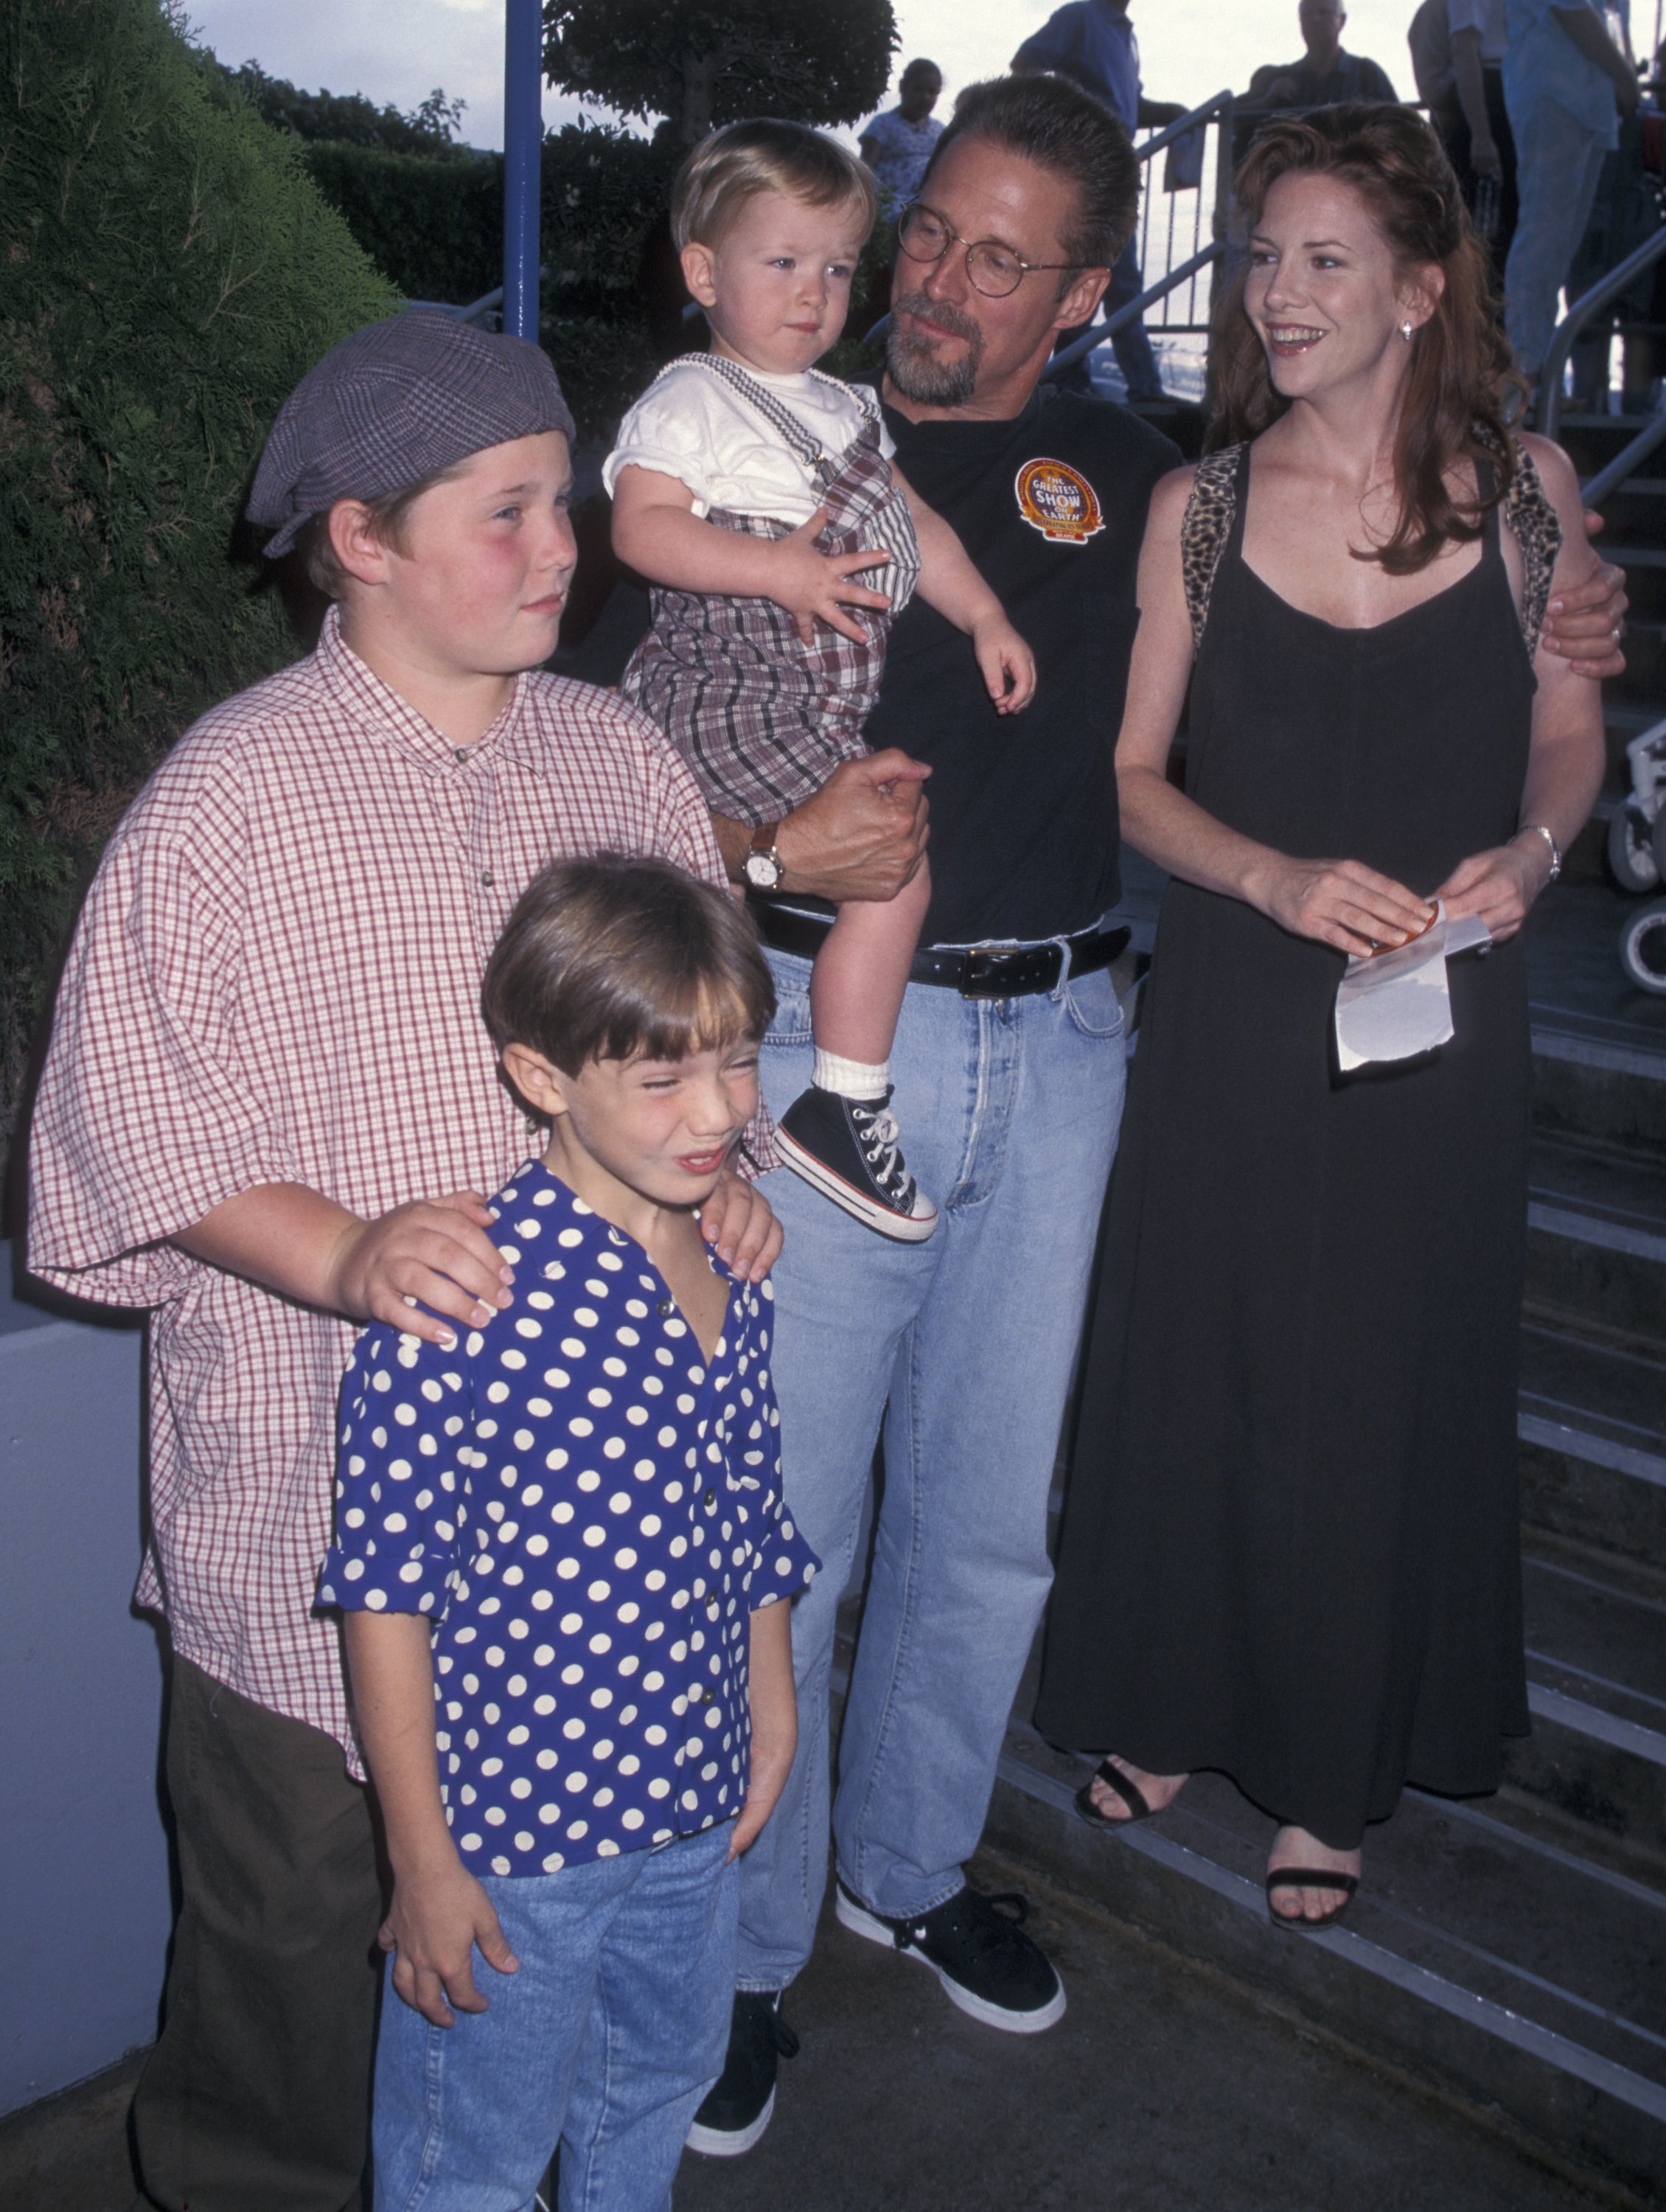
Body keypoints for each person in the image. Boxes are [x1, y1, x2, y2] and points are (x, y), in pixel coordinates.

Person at [24, 310, 780, 2212]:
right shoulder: (227, 800)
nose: (562, 548)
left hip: (590, 1599)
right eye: (507, 510)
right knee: (290, 1979)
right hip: (306, 1534)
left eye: (564, 502)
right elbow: (131, 1127)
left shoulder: (618, 758)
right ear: (356, 537)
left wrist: (728, 1180)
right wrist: (347, 1249)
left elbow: (693, 1056)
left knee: (545, 2015)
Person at [1036, 103, 1606, 1928]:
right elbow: (1128, 780)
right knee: (1199, 1365)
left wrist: (1528, 850)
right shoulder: (1190, 510)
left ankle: (1324, 1766)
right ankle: (1170, 1705)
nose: (1272, 295)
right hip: (1226, 1011)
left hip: (1435, 1027)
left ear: (1419, 288)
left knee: (1373, 1386)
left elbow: (1565, 728)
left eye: (1320, 262)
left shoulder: (1526, 496)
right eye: (1260, 257)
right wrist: (1270, 878)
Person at [321, 855, 819, 2211]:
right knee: (465, 2159)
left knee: (651, 2094)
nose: (717, 1113)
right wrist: (421, 1862)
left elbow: (753, 1513)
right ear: (543, 1078)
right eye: (663, 1081)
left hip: (692, 1813)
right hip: (516, 1848)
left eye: (737, 1062)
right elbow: (385, 1596)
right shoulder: (460, 1301)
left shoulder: (736, 1257)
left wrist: (770, 1705)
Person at [608, 121, 1036, 1245]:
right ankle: (845, 1101)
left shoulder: (847, 410)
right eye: (782, 262)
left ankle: (726, 1099)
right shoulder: (690, 400)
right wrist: (777, 570)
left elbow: (917, 525)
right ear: (705, 272)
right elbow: (643, 531)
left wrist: (985, 610)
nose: (815, 294)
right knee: (891, 874)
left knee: (778, 894)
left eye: (840, 267)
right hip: (729, 680)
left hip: (812, 700)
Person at [1011, 1, 1187, 401]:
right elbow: (1025, 63)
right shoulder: (1081, 17)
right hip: (1084, 167)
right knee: (1080, 274)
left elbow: (1129, 107)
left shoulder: (1126, 34)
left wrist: (1172, 111)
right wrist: (1065, 127)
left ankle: (1145, 387)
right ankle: (1072, 382)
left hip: (1118, 169)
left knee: (1124, 281)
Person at [1503, 0, 1640, 384]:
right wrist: (1623, 75)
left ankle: (1540, 367)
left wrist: (1620, 74)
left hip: (1591, 100)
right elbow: (1571, 8)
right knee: (1543, 236)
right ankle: (1524, 368)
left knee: (1562, 246)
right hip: (1556, 91)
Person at [1412, 0, 1519, 270]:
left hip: (1508, 107)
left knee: (1507, 231)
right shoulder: (1435, 14)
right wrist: (1481, 134)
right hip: (1470, 122)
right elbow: (1435, 82)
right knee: (1476, 234)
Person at [1244, 1, 1398, 110]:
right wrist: (1267, 100)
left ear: (1342, 20)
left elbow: (1402, 125)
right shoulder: (1276, 78)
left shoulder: (1367, 74)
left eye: (1324, 12)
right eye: (1307, 14)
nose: (1315, 19)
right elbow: (1231, 120)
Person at [859, 59, 946, 210]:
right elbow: (865, 168)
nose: (925, 97)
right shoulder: (884, 123)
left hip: (927, 201)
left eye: (932, 92)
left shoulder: (940, 131)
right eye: (918, 89)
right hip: (891, 202)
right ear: (902, 87)